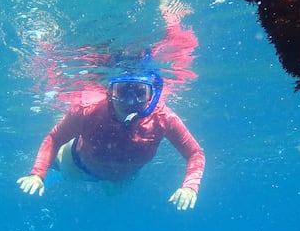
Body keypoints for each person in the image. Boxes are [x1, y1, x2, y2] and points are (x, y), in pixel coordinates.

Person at [16, 71, 205, 211]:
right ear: (109, 92)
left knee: (113, 194)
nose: (130, 101)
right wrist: (37, 174)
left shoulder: (164, 119)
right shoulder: (87, 111)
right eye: (122, 92)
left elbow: (195, 153)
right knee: (63, 171)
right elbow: (54, 138)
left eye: (140, 93)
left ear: (151, 95)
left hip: (122, 180)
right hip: (75, 166)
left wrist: (190, 186)